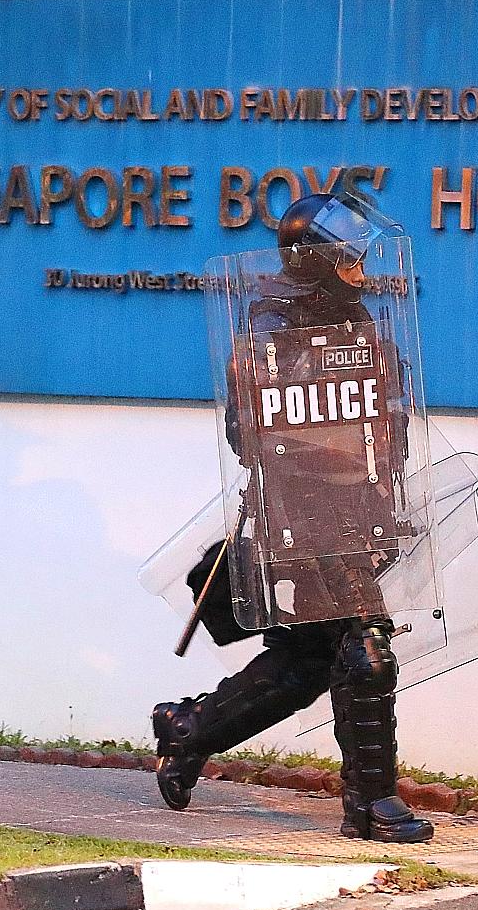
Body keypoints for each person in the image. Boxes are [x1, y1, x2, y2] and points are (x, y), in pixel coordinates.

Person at [151, 190, 434, 843]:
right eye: (350, 262)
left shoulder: (354, 323)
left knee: (304, 664)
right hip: (303, 519)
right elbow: (245, 434)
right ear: (319, 263)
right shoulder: (271, 330)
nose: (362, 274)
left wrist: (386, 490)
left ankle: (187, 730)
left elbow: (379, 421)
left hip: (358, 515)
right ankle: (372, 807)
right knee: (366, 650)